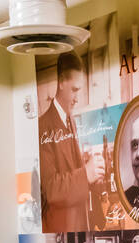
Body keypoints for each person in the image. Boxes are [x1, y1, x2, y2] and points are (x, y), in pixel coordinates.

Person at [38, 52, 103, 233]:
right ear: (60, 82)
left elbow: (71, 169)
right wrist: (86, 175)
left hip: (80, 227)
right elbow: (50, 188)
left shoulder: (71, 121)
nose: (77, 98)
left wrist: (93, 177)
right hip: (61, 231)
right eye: (74, 90)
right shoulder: (42, 126)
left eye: (79, 91)